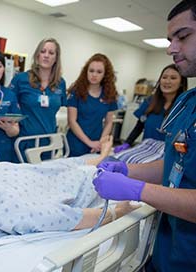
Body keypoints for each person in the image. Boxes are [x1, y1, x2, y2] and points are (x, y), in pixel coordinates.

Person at [93, 1, 196, 271]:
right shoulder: (188, 103)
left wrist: (138, 190)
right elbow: (178, 162)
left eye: (183, 36)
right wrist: (129, 169)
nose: (171, 48)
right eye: (170, 39)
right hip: (166, 252)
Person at [0, 136, 139, 241]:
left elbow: (39, 169)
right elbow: (66, 217)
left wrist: (94, 159)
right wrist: (116, 212)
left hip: (67, 167)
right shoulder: (4, 214)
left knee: (110, 157)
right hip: (88, 182)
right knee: (138, 161)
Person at [9, 38, 67, 161]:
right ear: (37, 55)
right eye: (43, 51)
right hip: (24, 141)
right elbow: (8, 106)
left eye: (51, 53)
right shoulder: (21, 79)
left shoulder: (60, 83)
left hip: (49, 142)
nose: (46, 56)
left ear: (56, 58)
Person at [114, 64, 187, 153]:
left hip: (168, 155)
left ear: (181, 83)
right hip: (146, 151)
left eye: (173, 78)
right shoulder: (150, 102)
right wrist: (127, 143)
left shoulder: (185, 107)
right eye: (164, 77)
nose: (167, 81)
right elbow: (139, 126)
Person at [66, 53, 118, 157]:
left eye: (99, 72)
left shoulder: (109, 94)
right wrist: (89, 142)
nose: (94, 75)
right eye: (91, 71)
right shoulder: (76, 92)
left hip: (97, 144)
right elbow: (72, 121)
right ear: (86, 72)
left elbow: (109, 122)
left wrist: (100, 143)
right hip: (76, 143)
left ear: (105, 74)